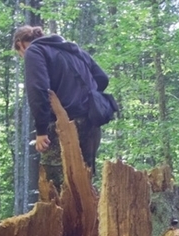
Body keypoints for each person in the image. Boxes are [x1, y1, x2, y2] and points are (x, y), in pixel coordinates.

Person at [13, 25, 110, 189]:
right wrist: (85, 98)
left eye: (20, 53)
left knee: (57, 187)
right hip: (91, 122)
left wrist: (42, 130)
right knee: (85, 181)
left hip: (63, 126)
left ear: (20, 44)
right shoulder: (72, 49)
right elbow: (102, 78)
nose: (23, 56)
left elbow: (38, 89)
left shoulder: (35, 51)